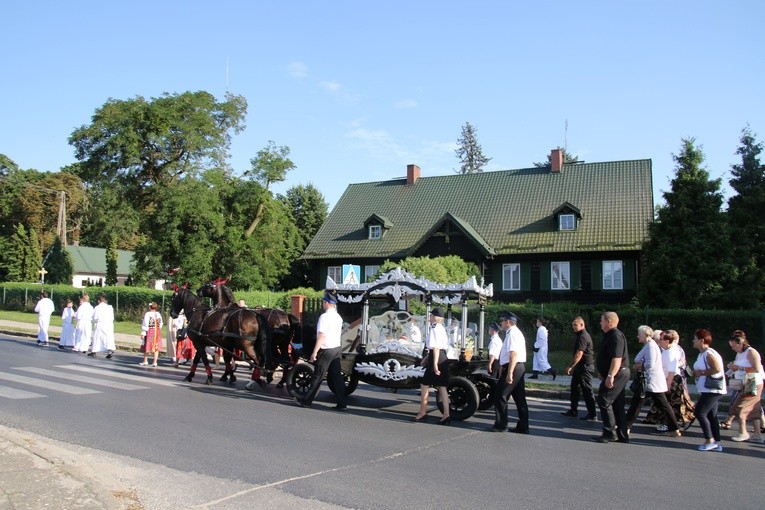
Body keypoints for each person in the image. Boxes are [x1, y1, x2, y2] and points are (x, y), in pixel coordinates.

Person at [625, 325, 681, 437]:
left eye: (639, 334)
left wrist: (639, 366)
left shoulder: (650, 346)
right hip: (653, 382)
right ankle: (674, 428)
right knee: (663, 405)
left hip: (650, 381)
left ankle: (626, 426)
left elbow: (650, 364)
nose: (637, 336)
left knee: (637, 404)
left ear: (646, 335)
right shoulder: (649, 345)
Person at [296, 291, 347, 411]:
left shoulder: (324, 317)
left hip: (327, 349)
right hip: (336, 348)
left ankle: (306, 401)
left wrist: (314, 352)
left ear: (327, 303)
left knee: (318, 375)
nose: (322, 304)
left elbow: (322, 336)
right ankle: (342, 403)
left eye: (323, 302)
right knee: (336, 376)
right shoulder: (338, 317)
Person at [592, 311, 630, 443]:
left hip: (618, 372)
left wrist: (610, 375)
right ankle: (622, 434)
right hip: (616, 372)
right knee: (618, 403)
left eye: (601, 320)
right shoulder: (610, 335)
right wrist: (603, 371)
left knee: (604, 399)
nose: (600, 323)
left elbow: (617, 358)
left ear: (609, 322)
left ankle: (610, 432)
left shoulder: (616, 336)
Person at [488, 311, 529, 434]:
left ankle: (501, 424)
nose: (501, 323)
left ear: (508, 322)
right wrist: (502, 365)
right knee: (519, 398)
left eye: (502, 321)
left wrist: (509, 372)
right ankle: (523, 425)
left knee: (501, 395)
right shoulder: (514, 333)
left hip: (514, 367)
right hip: (517, 366)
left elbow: (513, 353)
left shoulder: (512, 334)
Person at [647, 330, 695, 430]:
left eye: (661, 339)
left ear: (667, 341)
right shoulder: (666, 351)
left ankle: (671, 423)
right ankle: (670, 423)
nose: (659, 341)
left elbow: (672, 371)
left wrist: (668, 385)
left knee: (669, 404)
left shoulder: (670, 352)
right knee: (670, 404)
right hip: (667, 379)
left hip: (672, 380)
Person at [721, 331, 763, 443]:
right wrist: (730, 369)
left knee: (739, 407)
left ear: (740, 343)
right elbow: (738, 366)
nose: (733, 348)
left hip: (751, 381)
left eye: (734, 346)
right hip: (744, 382)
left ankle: (743, 432)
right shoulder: (740, 353)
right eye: (731, 346)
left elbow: (757, 369)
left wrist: (739, 368)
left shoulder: (751, 352)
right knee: (754, 409)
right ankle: (757, 435)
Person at [414, 307, 451, 424]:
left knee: (424, 385)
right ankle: (446, 414)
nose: (429, 318)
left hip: (437, 357)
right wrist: (426, 358)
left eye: (431, 316)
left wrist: (434, 364)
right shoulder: (441, 328)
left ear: (435, 317)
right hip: (442, 356)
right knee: (442, 387)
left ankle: (422, 412)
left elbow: (435, 347)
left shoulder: (434, 328)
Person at [691, 328, 726, 451]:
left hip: (712, 390)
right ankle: (716, 441)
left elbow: (716, 369)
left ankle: (709, 439)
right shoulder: (702, 354)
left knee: (700, 412)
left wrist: (701, 373)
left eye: (695, 339)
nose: (693, 341)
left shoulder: (709, 353)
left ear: (701, 340)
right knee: (712, 415)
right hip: (708, 389)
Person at [561, 316, 597, 421]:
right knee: (574, 388)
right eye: (572, 325)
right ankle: (573, 410)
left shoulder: (583, 336)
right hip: (580, 367)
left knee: (587, 390)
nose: (573, 327)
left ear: (582, 325)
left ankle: (592, 414)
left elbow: (579, 353)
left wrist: (571, 366)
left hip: (585, 367)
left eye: (575, 325)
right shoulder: (580, 335)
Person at [140, 302, 164, 367]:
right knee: (156, 345)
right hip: (157, 331)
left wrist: (143, 332)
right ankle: (155, 362)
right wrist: (158, 328)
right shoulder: (158, 314)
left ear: (150, 307)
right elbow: (161, 323)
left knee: (147, 345)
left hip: (150, 331)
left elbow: (145, 323)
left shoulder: (147, 314)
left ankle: (145, 360)